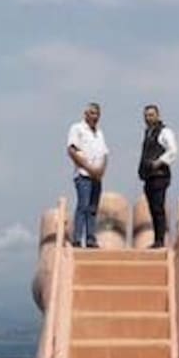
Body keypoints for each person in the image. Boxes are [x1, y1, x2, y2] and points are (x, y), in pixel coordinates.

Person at [66, 102, 108, 248]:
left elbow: (104, 154)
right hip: (83, 175)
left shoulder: (99, 133)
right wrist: (89, 168)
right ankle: (77, 238)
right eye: (91, 113)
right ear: (85, 114)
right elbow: (72, 151)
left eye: (96, 113)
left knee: (93, 208)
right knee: (83, 206)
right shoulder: (77, 128)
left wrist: (101, 170)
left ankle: (91, 238)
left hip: (97, 177)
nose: (94, 116)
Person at [138, 104, 177, 248]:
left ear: (158, 115)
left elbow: (173, 150)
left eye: (151, 115)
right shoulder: (148, 133)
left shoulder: (164, 132)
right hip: (148, 176)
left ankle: (160, 239)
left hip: (160, 175)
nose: (148, 118)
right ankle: (156, 239)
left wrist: (159, 162)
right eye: (146, 115)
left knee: (158, 208)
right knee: (153, 209)